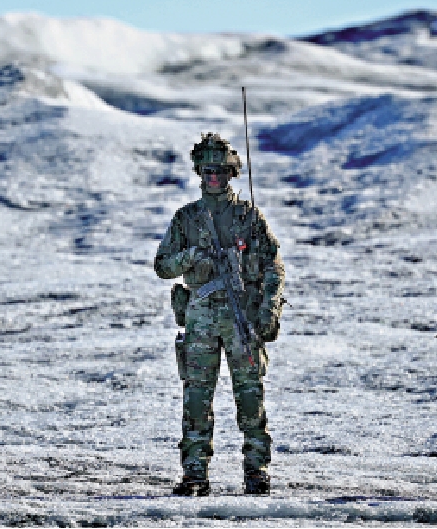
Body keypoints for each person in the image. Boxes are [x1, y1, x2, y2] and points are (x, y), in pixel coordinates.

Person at [155, 133, 285, 496]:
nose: (214, 178)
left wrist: (269, 310)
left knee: (250, 394)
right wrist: (191, 257)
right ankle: (195, 473)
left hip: (242, 318)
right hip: (200, 317)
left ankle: (256, 470)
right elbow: (162, 265)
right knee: (197, 396)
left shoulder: (248, 216)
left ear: (231, 173)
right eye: (208, 171)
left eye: (221, 171)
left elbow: (275, 267)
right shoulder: (187, 218)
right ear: (199, 171)